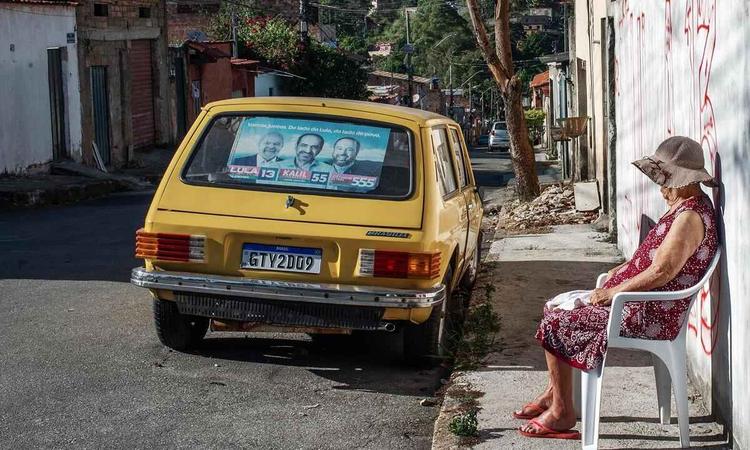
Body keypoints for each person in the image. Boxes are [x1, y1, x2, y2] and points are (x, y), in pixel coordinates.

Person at [516, 136, 719, 440]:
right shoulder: (685, 207)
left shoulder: (689, 217)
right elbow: (651, 262)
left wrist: (611, 293)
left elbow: (662, 271)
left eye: (664, 179)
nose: (660, 186)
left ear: (680, 181)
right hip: (636, 304)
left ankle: (562, 413)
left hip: (647, 314)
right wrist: (617, 275)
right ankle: (555, 394)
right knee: (555, 306)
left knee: (557, 320)